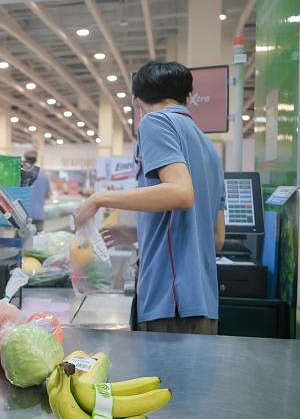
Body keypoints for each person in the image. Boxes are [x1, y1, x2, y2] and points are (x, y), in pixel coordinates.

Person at [73, 61, 225, 335]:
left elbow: (180, 194)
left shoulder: (155, 122)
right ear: (187, 96)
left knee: (163, 379)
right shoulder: (209, 149)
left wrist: (99, 198)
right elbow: (216, 238)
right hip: (203, 302)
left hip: (169, 299)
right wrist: (138, 232)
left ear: (136, 100)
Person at [24, 151, 51, 232]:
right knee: (38, 242)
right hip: (39, 215)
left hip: (23, 216)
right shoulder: (44, 175)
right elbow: (47, 195)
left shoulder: (22, 174)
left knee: (21, 242)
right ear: (36, 160)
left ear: (25, 159)